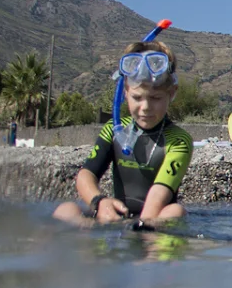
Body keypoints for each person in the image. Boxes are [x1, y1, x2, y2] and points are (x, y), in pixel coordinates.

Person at [52, 41, 194, 225]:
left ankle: (149, 244)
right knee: (65, 210)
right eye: (137, 97)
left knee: (175, 211)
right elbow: (86, 174)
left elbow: (159, 193)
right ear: (125, 91)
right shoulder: (114, 129)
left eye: (156, 98)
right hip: (116, 214)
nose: (146, 108)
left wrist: (138, 228)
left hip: (153, 217)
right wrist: (99, 202)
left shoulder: (178, 140)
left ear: (172, 93)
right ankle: (85, 241)